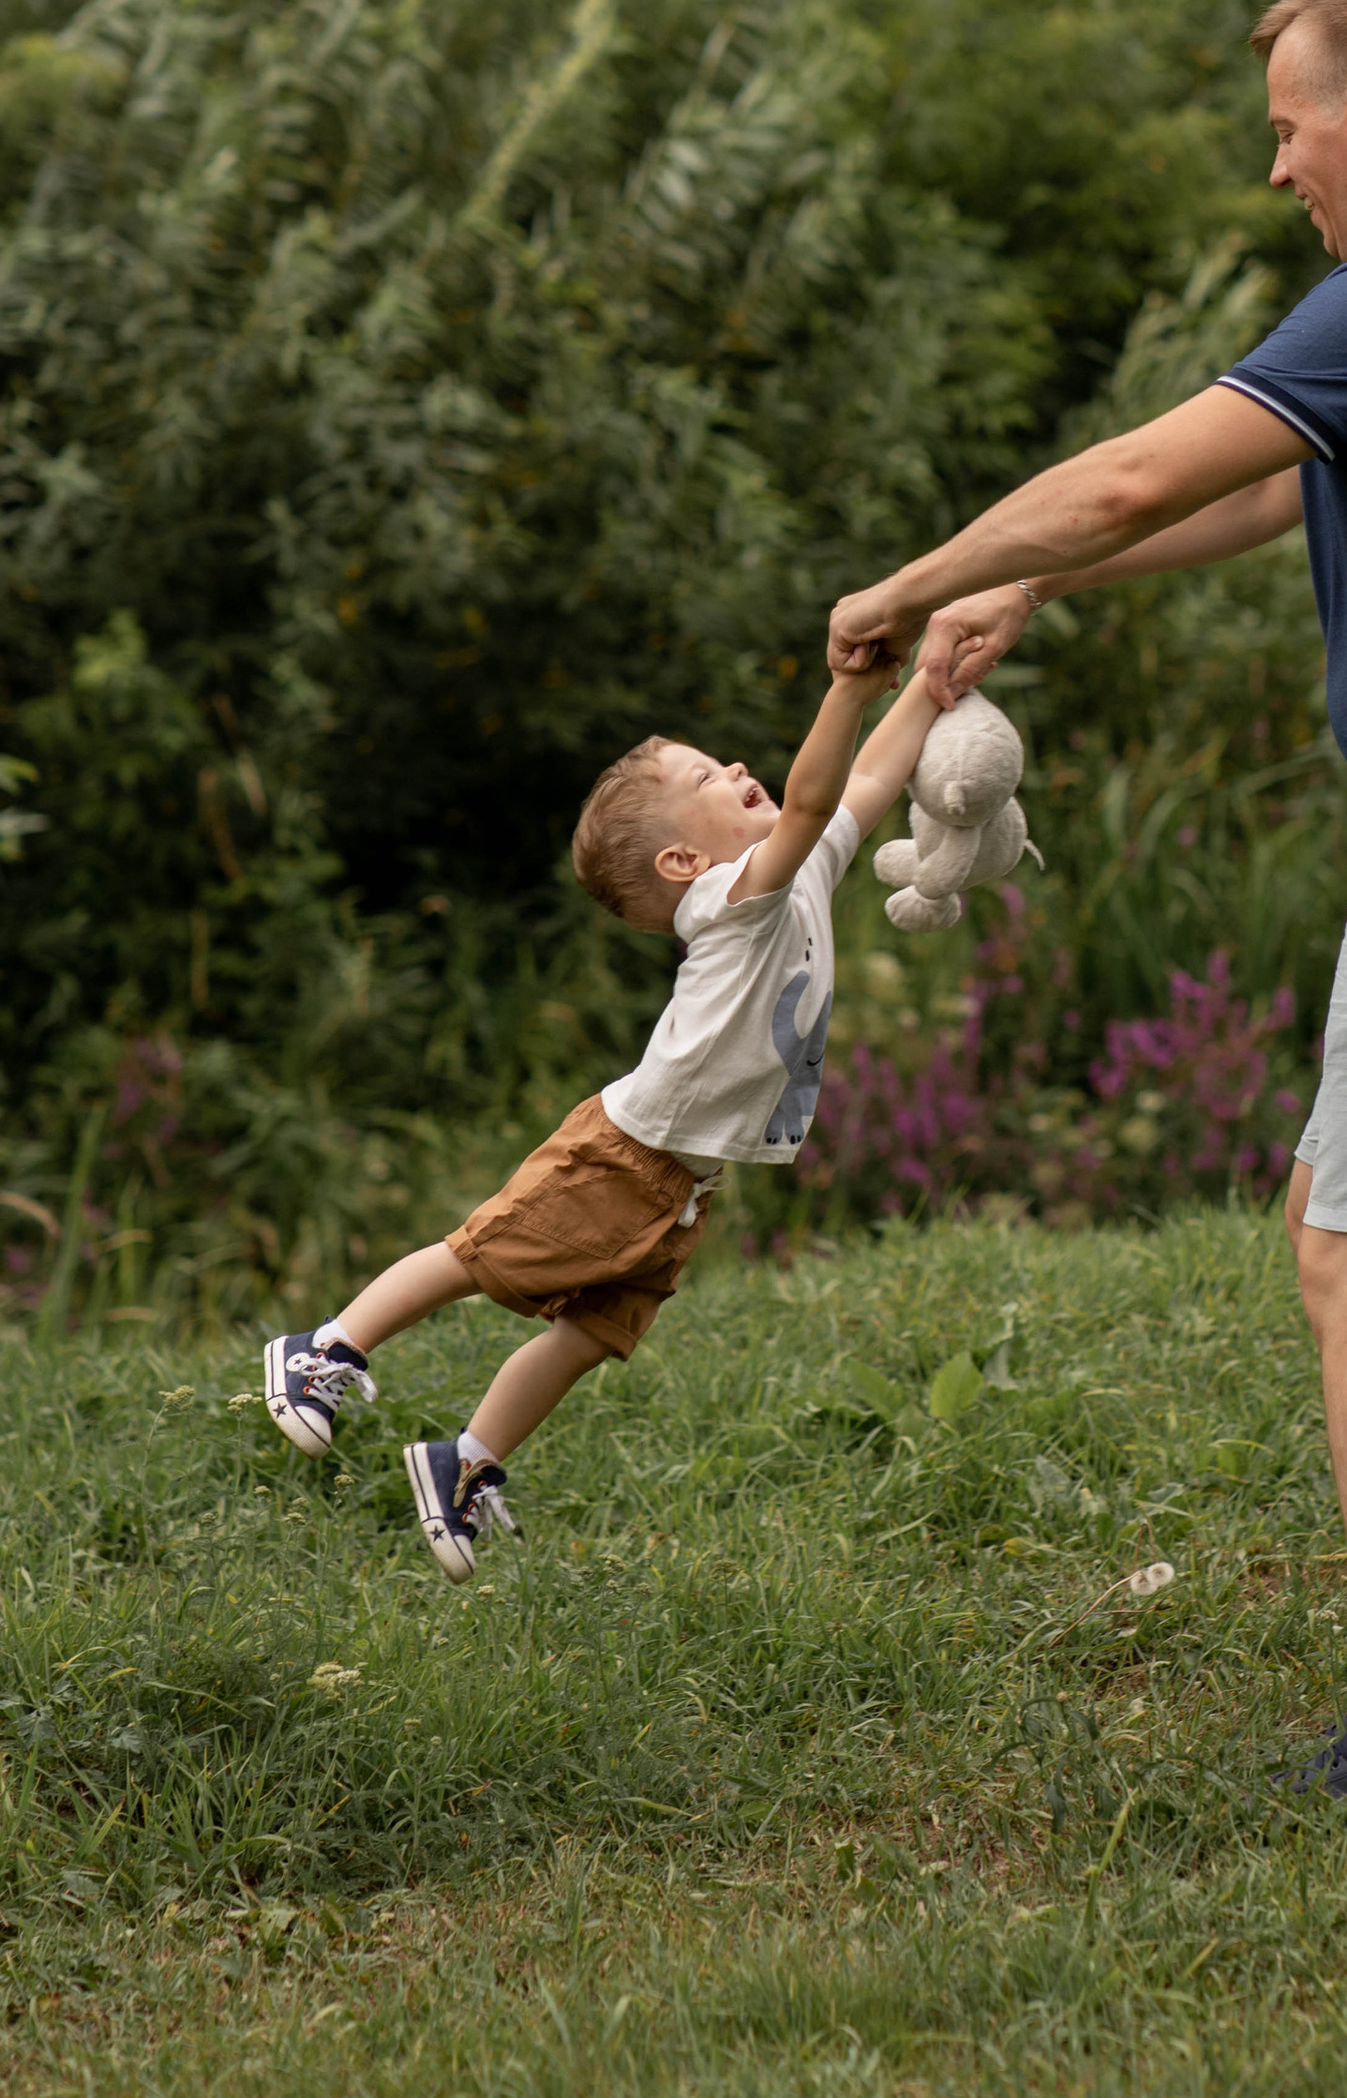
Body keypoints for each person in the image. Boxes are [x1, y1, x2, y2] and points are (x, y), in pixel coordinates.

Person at [827, 0, 1347, 1813]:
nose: (1277, 167)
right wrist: (1033, 581)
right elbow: (1269, 491)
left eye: (1288, 129)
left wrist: (911, 582)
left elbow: (1136, 474)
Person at [261, 659, 940, 1575]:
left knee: (589, 1335)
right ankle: (324, 1347)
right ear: (683, 864)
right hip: (628, 1154)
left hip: (687, 1182)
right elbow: (818, 797)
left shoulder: (798, 866)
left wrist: (930, 683)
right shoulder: (732, 898)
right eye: (709, 776)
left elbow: (867, 779)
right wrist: (850, 688)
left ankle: (464, 1463)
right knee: (483, 1256)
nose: (740, 768)